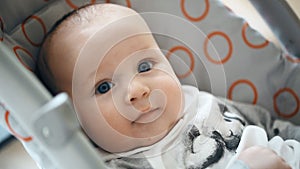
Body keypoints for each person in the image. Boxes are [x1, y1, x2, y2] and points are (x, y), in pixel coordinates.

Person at [37, 3, 299, 169]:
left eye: (144, 67)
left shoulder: (200, 102)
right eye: (103, 87)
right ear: (74, 116)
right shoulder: (116, 165)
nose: (138, 90)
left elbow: (270, 126)